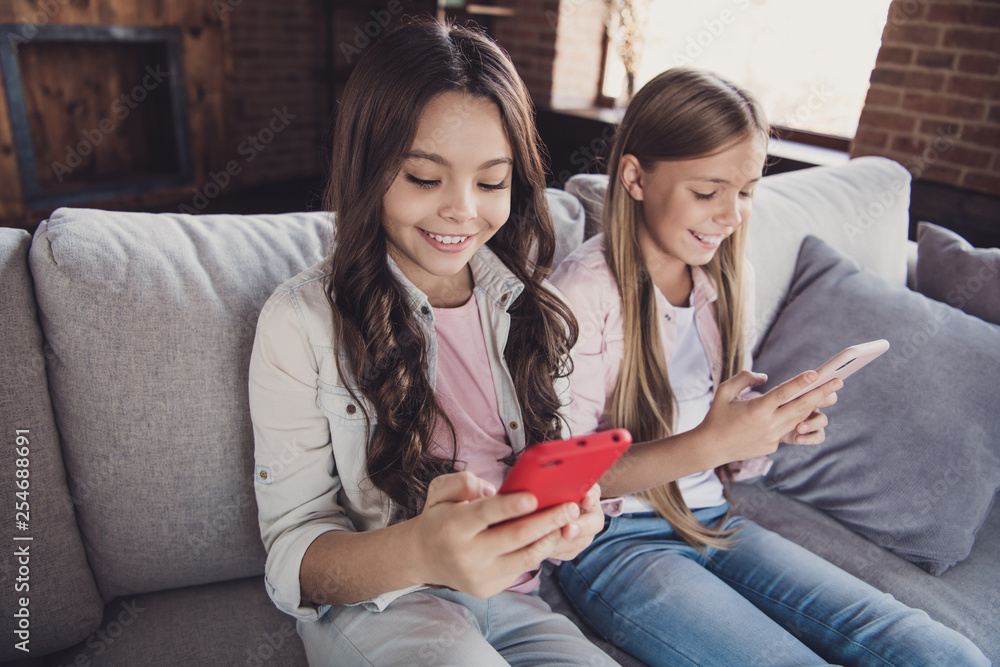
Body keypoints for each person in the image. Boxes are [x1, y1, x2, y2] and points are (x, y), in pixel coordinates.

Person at [550, 67, 990, 667]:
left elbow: (733, 459)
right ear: (634, 177)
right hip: (612, 543)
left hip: (713, 518)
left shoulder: (728, 277)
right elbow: (564, 484)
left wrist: (767, 428)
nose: (732, 216)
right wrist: (714, 441)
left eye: (747, 190)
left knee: (938, 651)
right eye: (707, 192)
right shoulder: (581, 293)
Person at [248, 18, 618, 667]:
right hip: (385, 602)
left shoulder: (533, 309)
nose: (462, 210)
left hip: (519, 601)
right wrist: (424, 547)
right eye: (424, 177)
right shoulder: (300, 321)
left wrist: (569, 523)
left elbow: (545, 471)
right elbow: (292, 559)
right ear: (369, 168)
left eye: (491, 181)